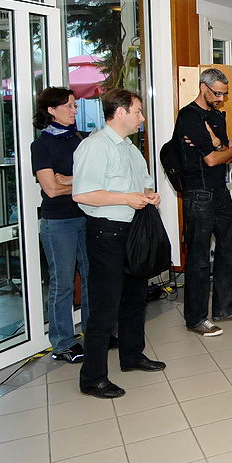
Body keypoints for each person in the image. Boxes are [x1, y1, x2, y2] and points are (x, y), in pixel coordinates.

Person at [73, 89, 165, 398]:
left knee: (135, 298)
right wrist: (126, 198)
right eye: (138, 111)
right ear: (121, 112)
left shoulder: (130, 148)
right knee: (105, 307)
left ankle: (132, 355)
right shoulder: (94, 146)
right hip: (106, 233)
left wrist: (150, 195)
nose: (142, 117)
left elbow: (144, 184)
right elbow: (83, 194)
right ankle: (93, 377)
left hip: (133, 231)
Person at [174, 68, 232, 338]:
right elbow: (211, 159)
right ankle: (196, 318)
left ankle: (224, 308)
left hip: (220, 189)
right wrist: (223, 149)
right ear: (203, 87)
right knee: (198, 258)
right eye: (217, 93)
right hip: (199, 192)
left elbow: (230, 155)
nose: (221, 98)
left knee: (228, 250)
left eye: (224, 94)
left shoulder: (217, 116)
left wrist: (222, 146)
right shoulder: (189, 116)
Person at [32, 87, 90, 364]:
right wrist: (79, 182)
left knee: (92, 278)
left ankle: (94, 332)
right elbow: (51, 189)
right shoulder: (41, 145)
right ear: (51, 110)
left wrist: (67, 179)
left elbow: (97, 177)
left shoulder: (80, 139)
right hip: (58, 223)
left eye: (75, 105)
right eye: (68, 106)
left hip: (87, 216)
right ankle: (63, 343)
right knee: (63, 283)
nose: (74, 110)